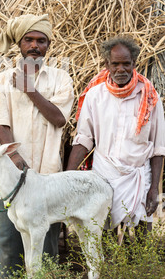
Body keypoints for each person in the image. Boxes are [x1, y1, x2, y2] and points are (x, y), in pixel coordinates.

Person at [0, 14, 74, 279]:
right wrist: (15, 157)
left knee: (47, 248)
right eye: (29, 40)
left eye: (41, 40)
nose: (34, 45)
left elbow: (58, 118)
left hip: (47, 180)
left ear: (48, 45)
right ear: (19, 44)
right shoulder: (1, 80)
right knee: (9, 245)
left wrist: (29, 89)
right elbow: (0, 123)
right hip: (10, 178)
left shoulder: (61, 79)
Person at [67, 36, 165, 232]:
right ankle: (107, 264)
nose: (121, 69)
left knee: (140, 237)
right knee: (103, 232)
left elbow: (158, 148)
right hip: (104, 174)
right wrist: (67, 177)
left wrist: (154, 188)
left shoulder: (150, 97)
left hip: (139, 177)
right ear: (107, 64)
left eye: (126, 64)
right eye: (116, 64)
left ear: (134, 63)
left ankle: (138, 265)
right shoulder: (95, 96)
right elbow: (84, 139)